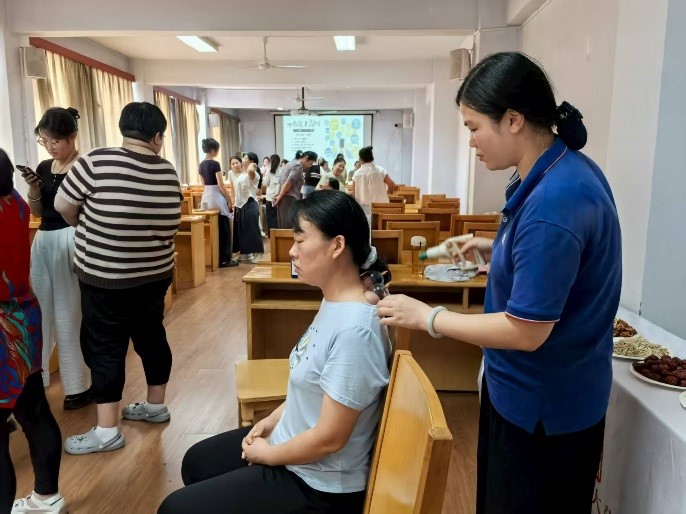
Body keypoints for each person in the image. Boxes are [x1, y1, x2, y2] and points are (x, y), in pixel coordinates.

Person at [375, 52, 622, 514]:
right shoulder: (566, 168)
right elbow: (558, 258)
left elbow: (526, 331)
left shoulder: (554, 201)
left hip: (542, 412)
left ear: (512, 119)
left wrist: (430, 317)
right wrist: (495, 247)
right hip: (539, 394)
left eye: (473, 128)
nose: (471, 142)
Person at [158, 190, 391, 514]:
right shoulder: (334, 302)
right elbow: (312, 390)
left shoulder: (356, 330)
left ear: (337, 246)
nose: (292, 251)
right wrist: (272, 420)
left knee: (175, 509)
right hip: (294, 446)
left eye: (300, 240)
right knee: (197, 461)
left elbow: (330, 439)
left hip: (319, 486)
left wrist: (268, 455)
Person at [55, 102, 182, 455]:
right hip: (154, 275)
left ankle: (107, 431)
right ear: (157, 137)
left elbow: (63, 206)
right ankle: (155, 406)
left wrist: (87, 223)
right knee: (151, 337)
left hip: (104, 277)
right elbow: (171, 222)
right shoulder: (167, 171)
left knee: (105, 346)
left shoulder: (95, 161)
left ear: (124, 129)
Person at [0, 149, 68, 514]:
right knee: (34, 411)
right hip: (23, 318)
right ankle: (47, 497)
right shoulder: (14, 203)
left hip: (2, 327)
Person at [20, 107, 92, 410]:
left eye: (56, 141)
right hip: (44, 239)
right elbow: (37, 213)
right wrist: (34, 187)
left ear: (72, 137)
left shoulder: (84, 166)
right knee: (40, 310)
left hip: (71, 239)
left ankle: (78, 386)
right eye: (45, 141)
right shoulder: (45, 166)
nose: (50, 147)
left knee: (68, 313)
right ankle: (36, 382)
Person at [198, 138, 238, 268]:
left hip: (206, 197)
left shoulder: (201, 165)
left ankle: (214, 259)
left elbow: (203, 184)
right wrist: (229, 200)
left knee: (212, 229)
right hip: (216, 196)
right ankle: (225, 259)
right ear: (213, 150)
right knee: (224, 228)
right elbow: (221, 184)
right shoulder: (215, 164)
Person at [231, 156, 264, 263]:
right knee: (243, 231)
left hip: (249, 204)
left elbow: (250, 170)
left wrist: (253, 164)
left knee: (252, 230)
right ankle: (245, 255)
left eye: (245, 158)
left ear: (251, 161)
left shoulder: (254, 174)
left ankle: (258, 254)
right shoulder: (241, 174)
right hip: (240, 205)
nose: (243, 159)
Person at [351, 146, 397, 222]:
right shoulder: (380, 170)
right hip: (382, 208)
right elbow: (392, 185)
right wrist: (387, 193)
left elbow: (354, 194)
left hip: (363, 209)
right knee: (383, 227)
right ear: (372, 157)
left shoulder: (356, 174)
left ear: (360, 159)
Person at [274, 150, 317, 229]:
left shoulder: (289, 163)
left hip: (284, 197)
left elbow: (280, 182)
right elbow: (288, 183)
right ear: (306, 158)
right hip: (289, 198)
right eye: (310, 164)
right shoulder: (298, 166)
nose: (309, 166)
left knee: (283, 226)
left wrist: (278, 196)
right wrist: (279, 197)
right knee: (288, 226)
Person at [262, 153, 282, 235]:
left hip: (270, 198)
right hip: (280, 197)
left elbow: (265, 184)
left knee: (270, 218)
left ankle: (272, 236)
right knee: (278, 217)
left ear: (270, 161)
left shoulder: (269, 172)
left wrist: (264, 175)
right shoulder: (282, 171)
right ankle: (278, 235)